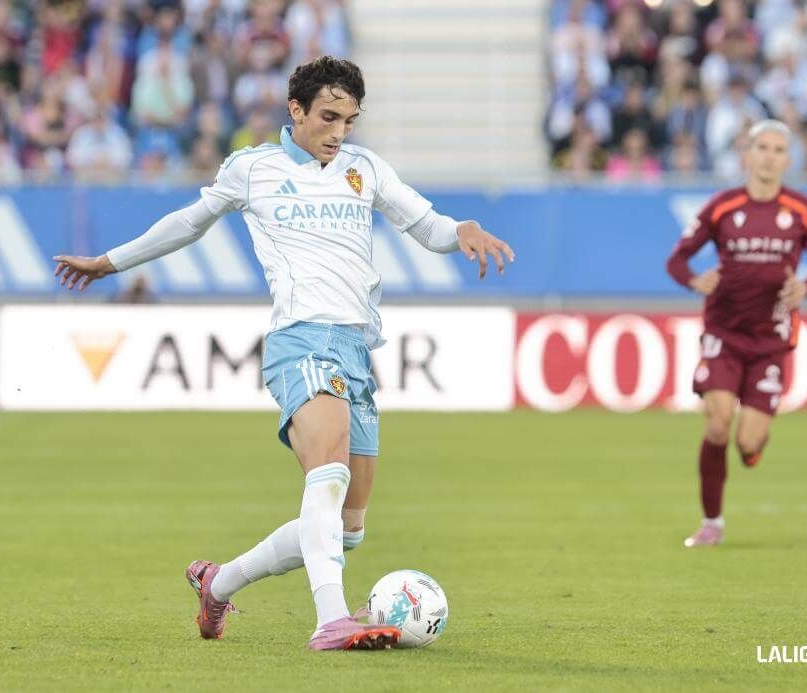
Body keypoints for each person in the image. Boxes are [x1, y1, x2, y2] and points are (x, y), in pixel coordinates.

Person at [52, 56, 514, 650]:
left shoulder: (364, 169)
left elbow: (427, 226)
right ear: (295, 110)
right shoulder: (254, 168)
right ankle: (331, 619)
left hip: (355, 346)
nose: (338, 132)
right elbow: (188, 223)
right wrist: (108, 262)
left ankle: (219, 584)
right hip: (299, 337)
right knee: (328, 471)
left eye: (349, 120)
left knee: (346, 528)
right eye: (328, 117)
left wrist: (464, 228)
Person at [665, 119, 807, 548]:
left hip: (771, 341)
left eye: (778, 150)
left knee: (747, 441)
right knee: (718, 424)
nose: (769, 156)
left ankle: (754, 444)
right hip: (723, 333)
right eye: (762, 147)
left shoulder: (801, 210)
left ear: (788, 160)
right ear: (747, 154)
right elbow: (677, 260)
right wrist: (694, 280)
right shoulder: (721, 207)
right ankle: (711, 523)